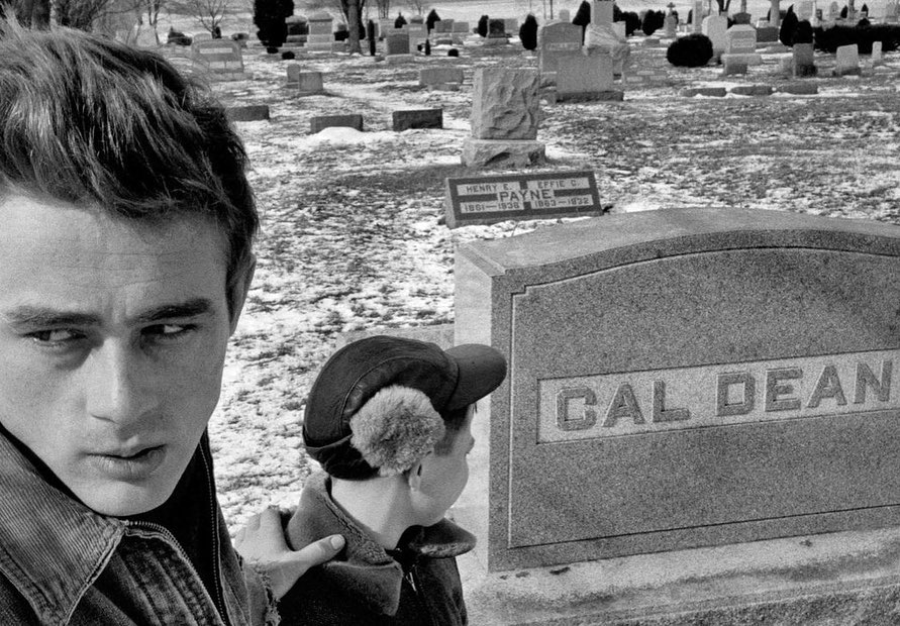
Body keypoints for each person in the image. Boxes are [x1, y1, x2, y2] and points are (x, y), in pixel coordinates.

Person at [0, 20, 342, 624]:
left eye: (167, 329)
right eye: (56, 335)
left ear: (234, 298)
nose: (123, 405)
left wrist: (236, 594)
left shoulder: (147, 447)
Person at [277, 335, 508, 625]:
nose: (467, 464)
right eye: (466, 451)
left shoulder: (422, 544)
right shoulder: (299, 609)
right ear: (418, 469)